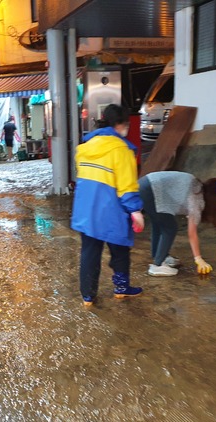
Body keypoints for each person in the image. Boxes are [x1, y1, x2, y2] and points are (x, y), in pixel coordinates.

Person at [71, 104, 145, 306]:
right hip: (110, 209)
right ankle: (121, 288)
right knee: (120, 248)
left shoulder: (84, 148)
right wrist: (135, 210)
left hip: (86, 209)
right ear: (121, 124)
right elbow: (127, 186)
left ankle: (88, 296)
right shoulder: (122, 150)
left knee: (89, 252)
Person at [138, 172, 216, 276]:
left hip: (145, 184)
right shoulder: (198, 199)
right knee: (170, 228)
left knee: (159, 223)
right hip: (151, 189)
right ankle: (157, 265)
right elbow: (192, 233)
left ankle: (160, 256)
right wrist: (198, 258)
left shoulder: (196, 188)